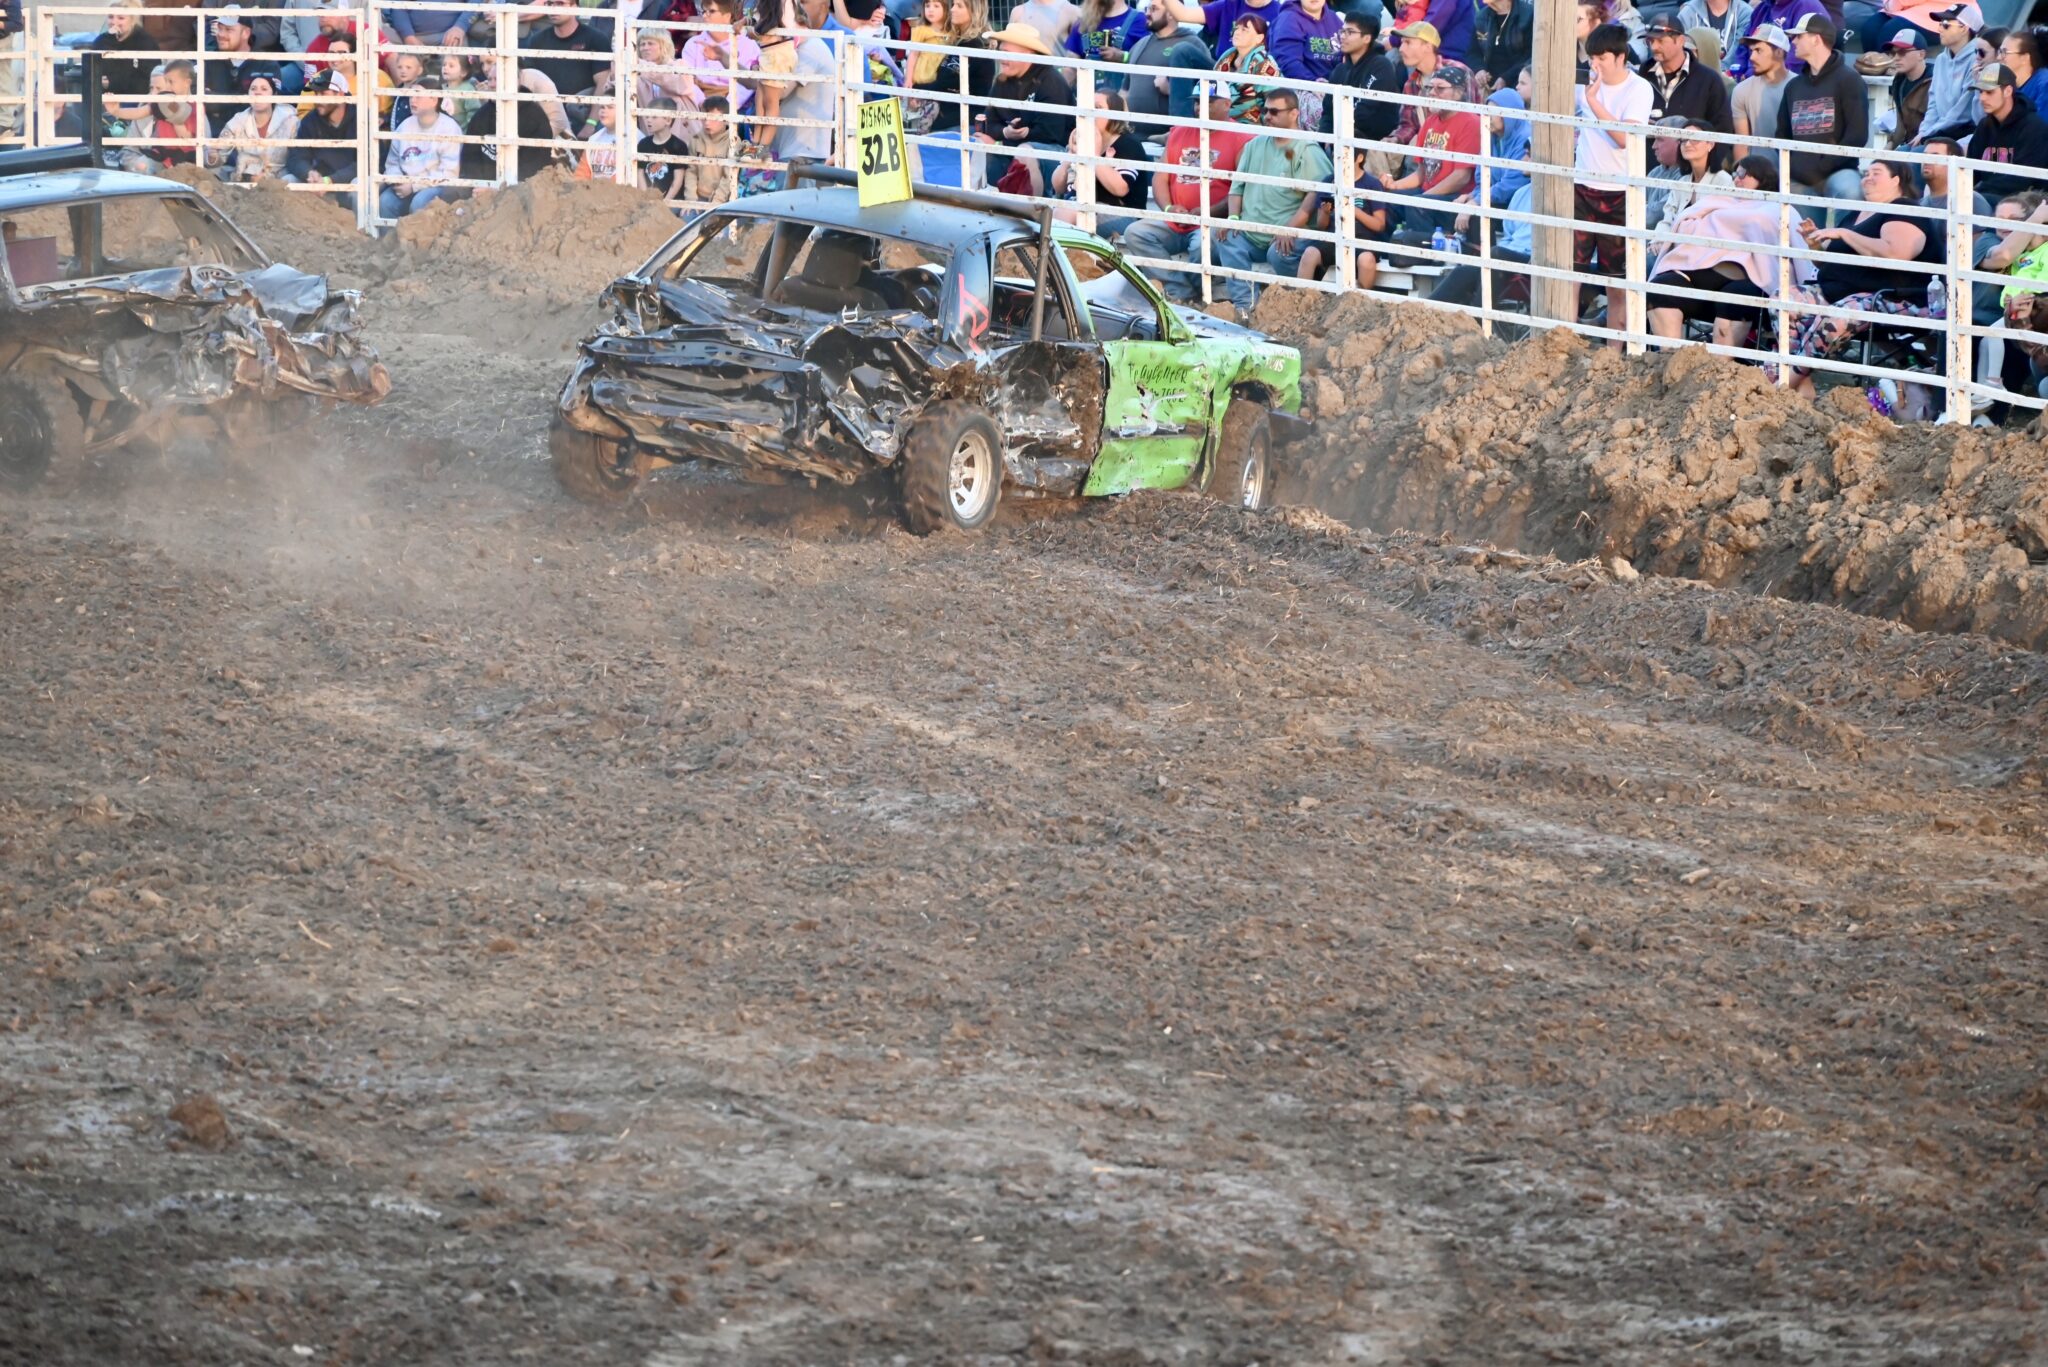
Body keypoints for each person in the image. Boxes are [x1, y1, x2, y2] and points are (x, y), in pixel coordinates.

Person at [1122, 84, 1254, 300]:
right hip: (1177, 219)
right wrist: (1169, 208)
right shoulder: (1179, 131)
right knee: (1135, 233)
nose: (1200, 107)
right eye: (1197, 102)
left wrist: (1209, 212)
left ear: (1227, 104)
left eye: (1208, 103)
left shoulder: (1241, 138)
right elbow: (1160, 178)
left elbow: (1242, 189)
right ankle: (1181, 293)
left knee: (1203, 245)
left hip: (1213, 222)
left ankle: (1195, 294)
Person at [1211, 88, 1333, 313]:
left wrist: (1290, 228)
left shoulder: (1307, 149)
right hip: (1251, 231)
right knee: (1224, 236)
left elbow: (1317, 194)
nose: (1267, 116)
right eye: (1265, 110)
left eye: (1274, 112)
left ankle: (1299, 307)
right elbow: (1237, 188)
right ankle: (1245, 307)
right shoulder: (1254, 144)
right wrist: (1233, 218)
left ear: (1294, 114)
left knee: (1279, 253)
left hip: (1288, 235)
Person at [1645, 153, 1782, 346]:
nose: (1736, 179)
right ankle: (1670, 359)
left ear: (1762, 176)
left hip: (1744, 281)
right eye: (1735, 174)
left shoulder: (1775, 209)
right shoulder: (1720, 200)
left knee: (1735, 300)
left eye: (1742, 174)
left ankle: (1718, 365)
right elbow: (1685, 223)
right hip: (1696, 270)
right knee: (1661, 288)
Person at [1577, 22, 1654, 333]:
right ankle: (1561, 341)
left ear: (1621, 57)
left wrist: (1594, 102)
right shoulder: (1583, 86)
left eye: (1602, 58)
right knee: (1571, 274)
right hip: (1582, 186)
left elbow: (1625, 138)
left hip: (1620, 191)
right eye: (1591, 57)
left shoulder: (1639, 89)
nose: (1595, 64)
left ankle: (1614, 349)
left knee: (1616, 282)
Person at [1775, 14, 1867, 215]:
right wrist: (1795, 167)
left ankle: (1846, 237)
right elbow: (1782, 135)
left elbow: (1857, 136)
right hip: (1800, 175)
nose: (1793, 41)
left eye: (1799, 36)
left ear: (1816, 39)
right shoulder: (1793, 86)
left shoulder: (1850, 80)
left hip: (1839, 171)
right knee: (1790, 204)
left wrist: (1823, 166)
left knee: (1851, 191)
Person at [973, 22, 1072, 195]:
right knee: (976, 143)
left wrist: (1001, 143)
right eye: (1001, 52)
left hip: (1056, 154)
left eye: (1007, 53)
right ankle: (978, 202)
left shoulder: (1050, 80)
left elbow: (1051, 134)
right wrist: (1005, 133)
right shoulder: (1002, 80)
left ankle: (1033, 209)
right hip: (1015, 146)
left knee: (1025, 152)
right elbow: (988, 122)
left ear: (1028, 54)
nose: (1002, 59)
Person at [1385, 67, 1480, 236]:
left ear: (1459, 92)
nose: (1432, 93)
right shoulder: (1430, 121)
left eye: (1440, 88)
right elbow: (1421, 173)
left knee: (1418, 205)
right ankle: (1387, 248)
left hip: (1457, 196)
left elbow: (1461, 177)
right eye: (1430, 87)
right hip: (1429, 192)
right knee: (1388, 199)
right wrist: (1394, 186)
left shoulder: (1471, 122)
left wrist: (1424, 197)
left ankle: (1425, 249)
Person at [1376, 21, 1472, 179]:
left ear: (1427, 46)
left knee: (1417, 143)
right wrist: (1396, 138)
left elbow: (1472, 118)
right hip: (1422, 143)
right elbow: (1408, 125)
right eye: (1401, 43)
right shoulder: (1411, 83)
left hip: (1452, 143)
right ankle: (1383, 190)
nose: (1401, 48)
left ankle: (1406, 188)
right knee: (1378, 149)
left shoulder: (1459, 72)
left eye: (1408, 42)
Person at [1052, 91, 1151, 232]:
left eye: (1097, 107)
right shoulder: (1081, 139)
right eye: (1088, 107)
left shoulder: (1128, 144)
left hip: (1121, 213)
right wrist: (1071, 156)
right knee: (1052, 213)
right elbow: (1058, 187)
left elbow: (1120, 189)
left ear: (1114, 115)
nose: (1090, 112)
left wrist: (1094, 156)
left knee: (1065, 214)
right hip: (1078, 206)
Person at [1298, 143, 1391, 288]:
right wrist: (1325, 212)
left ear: (1359, 158)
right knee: (1309, 254)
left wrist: (1352, 210)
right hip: (1333, 236)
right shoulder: (1329, 181)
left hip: (1363, 239)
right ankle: (1302, 296)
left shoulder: (1372, 184)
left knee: (1366, 260)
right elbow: (1321, 225)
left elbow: (1379, 225)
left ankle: (1360, 298)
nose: (1338, 160)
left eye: (1343, 156)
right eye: (1335, 156)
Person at [1124, 0, 1211, 139]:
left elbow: (1207, 93)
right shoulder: (1139, 45)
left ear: (1171, 13)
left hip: (1169, 138)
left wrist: (1172, 89)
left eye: (1154, 9)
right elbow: (1124, 91)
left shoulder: (1192, 44)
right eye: (1147, 9)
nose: (1147, 13)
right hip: (1133, 136)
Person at [1320, 9, 1404, 145]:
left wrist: (1338, 136)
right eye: (1342, 31)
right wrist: (1323, 141)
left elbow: (1365, 110)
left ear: (1367, 38)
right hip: (1342, 140)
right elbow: (1328, 112)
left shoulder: (1381, 66)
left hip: (1374, 145)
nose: (1343, 36)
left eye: (1350, 32)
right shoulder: (1339, 70)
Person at [1966, 62, 2048, 199]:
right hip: (1985, 195)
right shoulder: (1984, 126)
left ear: (2008, 91)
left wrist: (1979, 191)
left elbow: (2024, 179)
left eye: (1989, 92)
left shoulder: (2034, 127)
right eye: (1980, 92)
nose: (1982, 98)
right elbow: (1971, 170)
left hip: (2024, 200)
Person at [382, 77, 462, 218]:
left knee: (419, 202)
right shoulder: (404, 126)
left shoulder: (449, 128)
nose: (412, 100)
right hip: (406, 183)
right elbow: (392, 162)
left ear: (434, 100)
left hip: (435, 186)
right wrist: (397, 179)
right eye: (411, 95)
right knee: (385, 202)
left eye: (418, 96)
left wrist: (414, 186)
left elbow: (449, 173)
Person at [1640, 14, 1732, 130]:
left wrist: (1696, 133)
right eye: (1650, 41)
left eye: (1660, 41)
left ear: (1680, 41)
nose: (1653, 47)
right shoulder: (1642, 77)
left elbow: (1723, 128)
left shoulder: (1709, 80)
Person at [283, 68, 358, 208]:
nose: (317, 99)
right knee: (288, 180)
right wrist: (308, 173)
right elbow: (296, 156)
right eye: (316, 93)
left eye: (323, 93)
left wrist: (331, 181)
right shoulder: (310, 120)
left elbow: (367, 164)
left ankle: (363, 223)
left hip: (346, 183)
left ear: (340, 94)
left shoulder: (361, 119)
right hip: (317, 184)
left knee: (359, 185)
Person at [203, 6, 283, 134]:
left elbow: (266, 105)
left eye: (228, 29)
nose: (221, 34)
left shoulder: (266, 64)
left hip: (252, 137)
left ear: (246, 33)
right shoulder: (208, 60)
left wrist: (217, 102)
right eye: (220, 28)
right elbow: (197, 96)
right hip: (214, 136)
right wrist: (243, 99)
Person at [1912, 2, 1984, 144]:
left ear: (1964, 28)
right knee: (1904, 151)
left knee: (1918, 154)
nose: (1939, 29)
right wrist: (1923, 132)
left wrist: (1928, 134)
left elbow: (1962, 113)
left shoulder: (1977, 59)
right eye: (1940, 24)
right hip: (1937, 132)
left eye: (1945, 25)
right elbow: (1933, 103)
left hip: (1962, 133)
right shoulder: (1940, 59)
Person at [207, 71, 298, 180]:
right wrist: (213, 157)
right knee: (212, 173)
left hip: (279, 179)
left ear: (274, 94)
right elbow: (220, 154)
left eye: (264, 89)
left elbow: (297, 158)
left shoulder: (290, 121)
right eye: (253, 89)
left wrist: (267, 177)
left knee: (292, 179)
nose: (257, 93)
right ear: (248, 94)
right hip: (245, 179)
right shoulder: (238, 120)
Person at [521, 0, 615, 102]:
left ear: (575, 7)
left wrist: (593, 113)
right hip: (545, 108)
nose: (553, 8)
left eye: (560, 3)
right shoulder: (536, 40)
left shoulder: (596, 39)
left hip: (581, 109)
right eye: (550, 3)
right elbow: (528, 82)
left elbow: (602, 85)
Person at [1653, 116, 1735, 231]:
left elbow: (1721, 224)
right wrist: (1657, 239)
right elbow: (1667, 221)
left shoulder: (1723, 181)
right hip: (1675, 239)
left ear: (1710, 144)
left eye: (1695, 139)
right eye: (1684, 140)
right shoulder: (1682, 182)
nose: (1687, 144)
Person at [1268, 0, 1342, 126]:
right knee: (1332, 116)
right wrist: (1313, 83)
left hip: (1334, 86)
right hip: (1301, 86)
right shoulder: (1288, 19)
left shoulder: (1334, 19)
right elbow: (1287, 61)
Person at [682, 0, 763, 112]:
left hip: (736, 107)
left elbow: (747, 86)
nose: (704, 16)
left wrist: (726, 107)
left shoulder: (749, 45)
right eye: (704, 11)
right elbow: (687, 81)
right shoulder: (692, 43)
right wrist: (704, 104)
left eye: (711, 11)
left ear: (727, 16)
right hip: (699, 105)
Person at [1731, 23, 1790, 157]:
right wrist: (1740, 169)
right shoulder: (1741, 90)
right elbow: (1741, 143)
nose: (1752, 57)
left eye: (1759, 50)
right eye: (1751, 51)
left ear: (1779, 52)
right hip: (1755, 168)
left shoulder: (1798, 87)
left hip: (1792, 167)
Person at [1727, 0, 1827, 79]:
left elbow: (1797, 58)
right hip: (1754, 80)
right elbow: (1743, 49)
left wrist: (1756, 76)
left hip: (1788, 82)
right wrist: (1739, 74)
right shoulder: (1762, 8)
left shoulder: (1807, 6)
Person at [1067, 0, 1149, 91]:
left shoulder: (1140, 21)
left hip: (1122, 97)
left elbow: (1149, 61)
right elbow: (1071, 67)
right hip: (1087, 96)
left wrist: (1123, 57)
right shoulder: (1084, 22)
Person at [1214, 13, 1280, 122]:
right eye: (1236, 28)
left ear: (1259, 38)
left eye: (1244, 30)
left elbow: (1274, 102)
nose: (1237, 32)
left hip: (1251, 126)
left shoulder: (1264, 62)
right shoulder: (1227, 56)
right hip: (1219, 122)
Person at [1158, 0, 1280, 56]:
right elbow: (1183, 14)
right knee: (1182, 50)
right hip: (1221, 71)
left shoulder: (1279, 13)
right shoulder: (1228, 5)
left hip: (1258, 78)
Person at [685, 93, 740, 202]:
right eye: (704, 118)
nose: (707, 123)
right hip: (697, 197)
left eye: (713, 119)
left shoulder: (733, 141)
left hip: (722, 199)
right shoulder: (696, 139)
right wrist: (690, 198)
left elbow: (728, 176)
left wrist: (716, 201)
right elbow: (691, 171)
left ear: (725, 119)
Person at [1471, 0, 1532, 96]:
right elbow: (1473, 52)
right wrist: (1479, 69)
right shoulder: (1482, 17)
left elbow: (1531, 56)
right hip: (1490, 85)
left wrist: (1506, 78)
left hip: (1519, 85)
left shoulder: (1528, 15)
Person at [1883, 29, 1931, 145]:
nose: (1896, 58)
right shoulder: (1899, 80)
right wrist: (1887, 150)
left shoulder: (1936, 80)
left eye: (1902, 52)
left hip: (1931, 144)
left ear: (1921, 54)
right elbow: (1900, 127)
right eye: (1892, 53)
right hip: (1909, 145)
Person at [1676, 0, 1751, 64]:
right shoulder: (1687, 13)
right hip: (1698, 73)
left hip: (1734, 74)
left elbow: (1739, 53)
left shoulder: (1745, 12)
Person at [384, 2, 476, 49]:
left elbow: (475, 2)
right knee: (382, 35)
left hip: (447, 34)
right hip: (410, 35)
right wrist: (408, 36)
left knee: (457, 41)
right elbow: (398, 6)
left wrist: (460, 27)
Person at [1996, 27, 2048, 109]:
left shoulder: (2045, 85)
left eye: (2004, 52)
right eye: (1999, 51)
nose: (1998, 57)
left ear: (2024, 58)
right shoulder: (2007, 85)